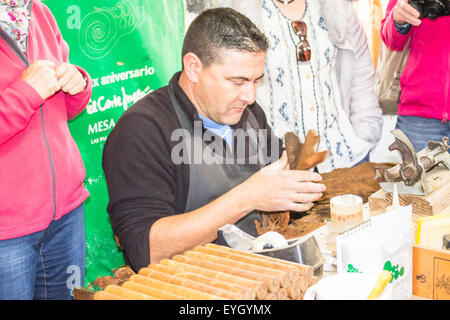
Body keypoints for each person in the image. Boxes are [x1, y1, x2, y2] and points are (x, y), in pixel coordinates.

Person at [102, 8, 326, 271]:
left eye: (255, 81)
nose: (250, 96)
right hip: (188, 285)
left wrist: (300, 177)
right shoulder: (142, 131)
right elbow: (147, 249)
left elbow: (279, 181)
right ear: (194, 68)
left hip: (256, 268)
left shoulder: (247, 113)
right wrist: (248, 197)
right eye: (237, 81)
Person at [0, 0, 92, 300]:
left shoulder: (38, 11)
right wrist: (26, 93)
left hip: (65, 212)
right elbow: (31, 94)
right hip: (7, 230)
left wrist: (77, 83)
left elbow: (61, 109)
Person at [231, 0, 384, 173]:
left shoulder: (336, 6)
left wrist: (364, 133)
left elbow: (361, 72)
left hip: (345, 158)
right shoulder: (243, 10)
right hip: (276, 166)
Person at [381, 0, 449, 152]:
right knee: (419, 175)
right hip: (421, 115)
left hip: (421, 114)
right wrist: (398, 19)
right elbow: (390, 40)